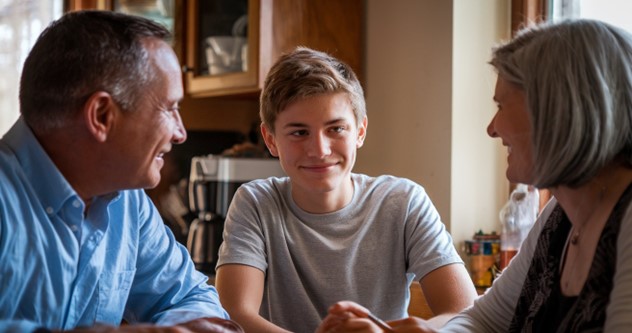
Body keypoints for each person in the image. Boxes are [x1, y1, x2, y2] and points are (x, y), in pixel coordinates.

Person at [320, 18, 632, 332]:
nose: (492, 128)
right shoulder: (559, 215)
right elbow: (481, 320)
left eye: (501, 105)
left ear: (558, 110)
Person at [0, 10, 241, 333]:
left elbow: (189, 296)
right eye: (169, 109)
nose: (180, 133)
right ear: (101, 115)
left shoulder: (128, 200)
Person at [214, 46, 478, 333]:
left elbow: (464, 313)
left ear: (360, 132)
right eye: (299, 132)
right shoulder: (256, 202)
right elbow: (236, 316)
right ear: (271, 139)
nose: (319, 150)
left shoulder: (404, 202)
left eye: (336, 129)